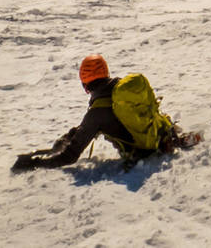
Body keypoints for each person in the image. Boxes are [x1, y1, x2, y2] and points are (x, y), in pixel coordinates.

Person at [11, 54, 196, 171]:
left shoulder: (96, 114)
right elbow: (91, 126)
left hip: (140, 152)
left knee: (136, 148)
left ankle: (155, 148)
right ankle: (171, 136)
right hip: (156, 129)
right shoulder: (120, 89)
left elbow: (70, 156)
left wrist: (36, 162)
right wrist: (70, 135)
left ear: (85, 83)